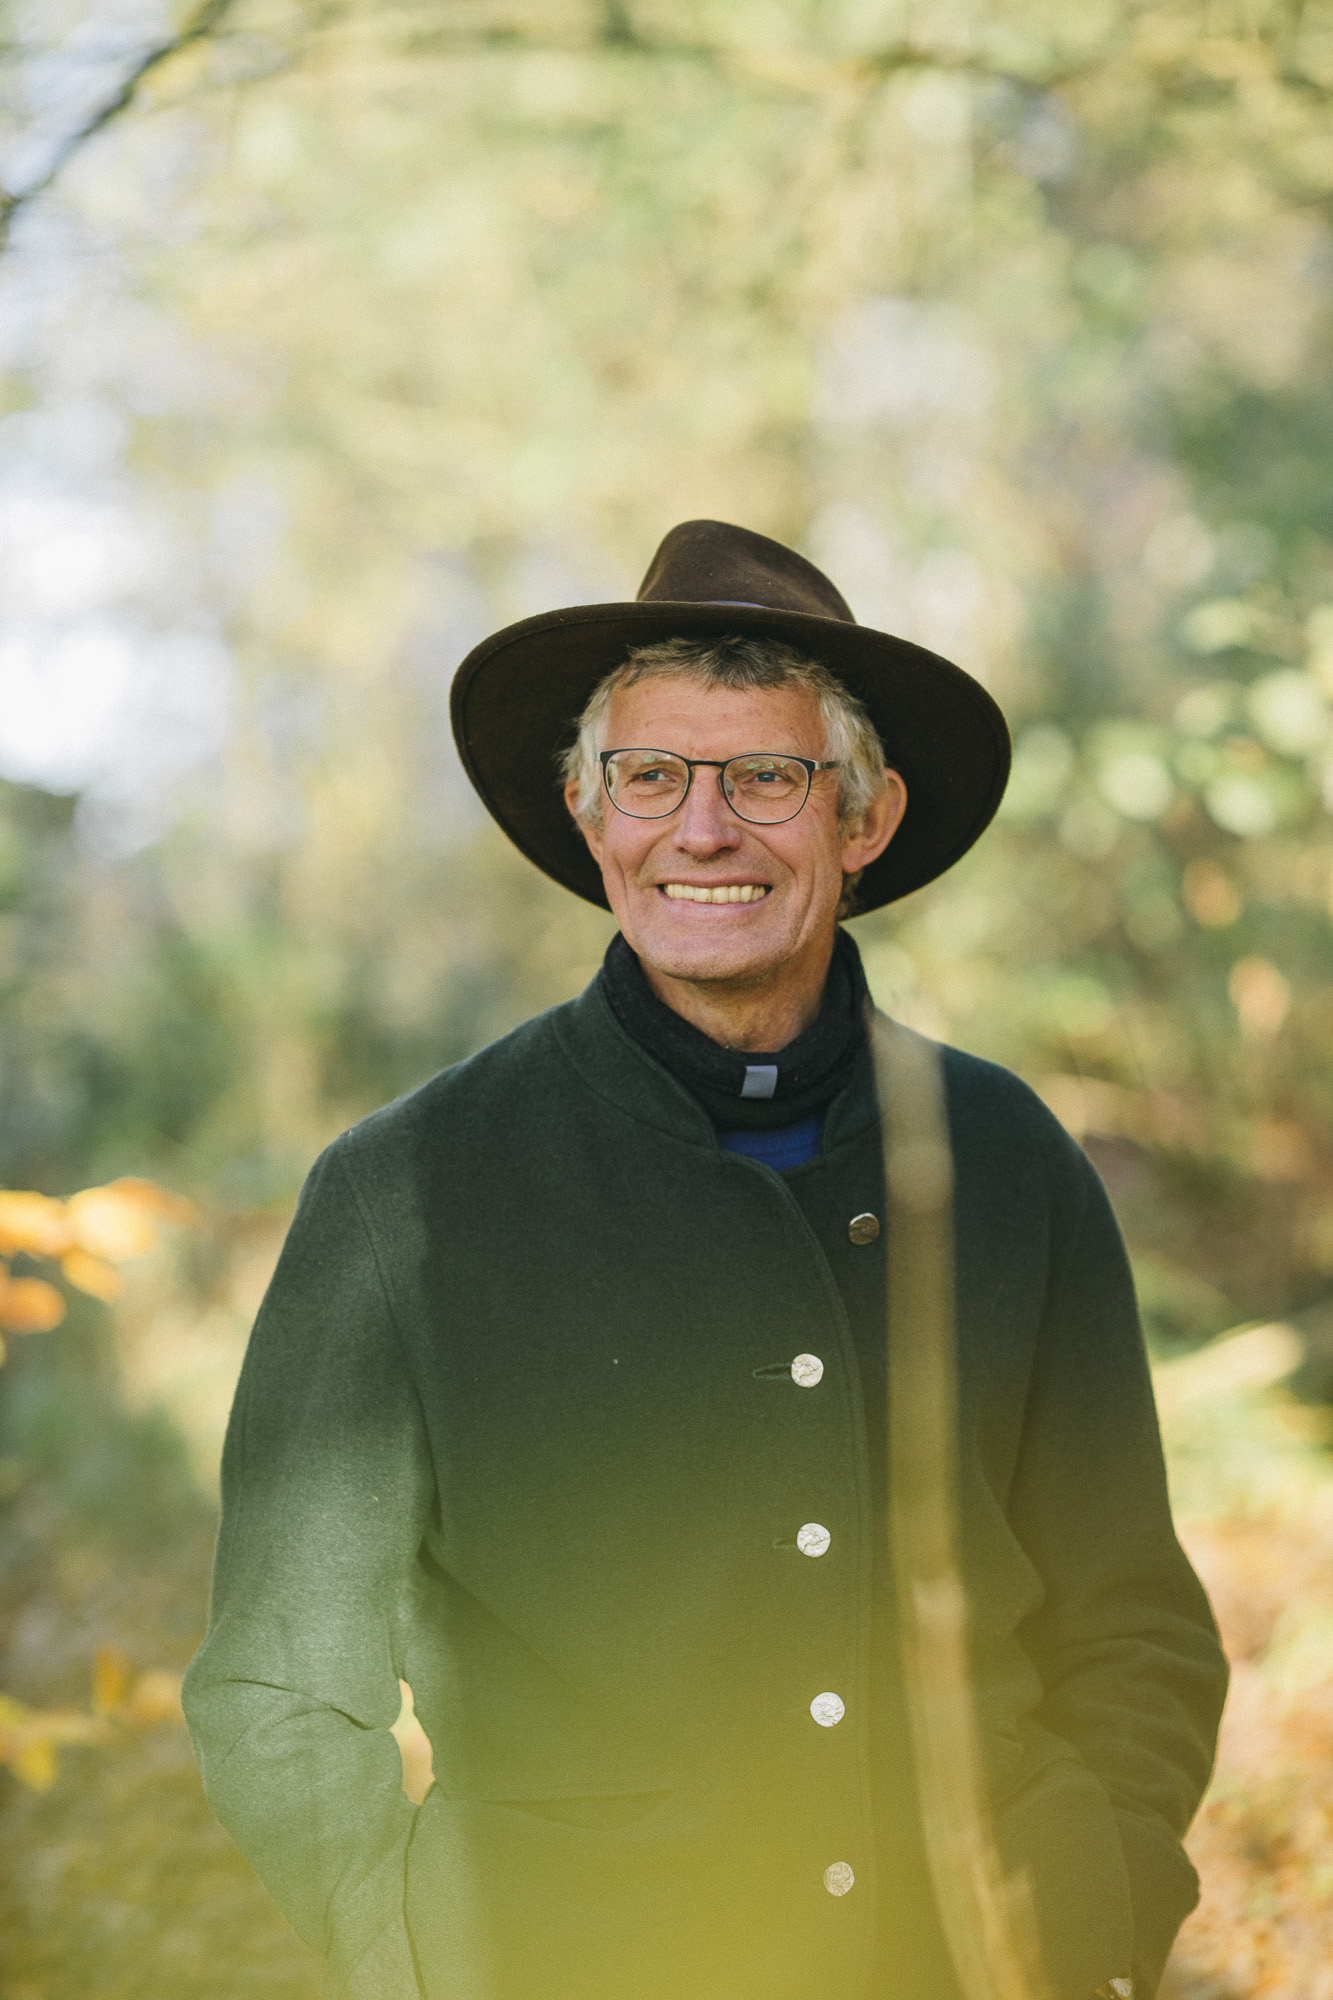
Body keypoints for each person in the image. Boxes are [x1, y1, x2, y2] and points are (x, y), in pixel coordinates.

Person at [183, 520, 1228, 2000]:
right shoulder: (404, 1190)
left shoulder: (1003, 1155)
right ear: (584, 811)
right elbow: (277, 1683)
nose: (702, 829)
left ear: (862, 821)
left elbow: (1130, 1622)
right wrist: (410, 1953)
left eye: (766, 778)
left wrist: (1104, 1901)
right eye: (651, 775)